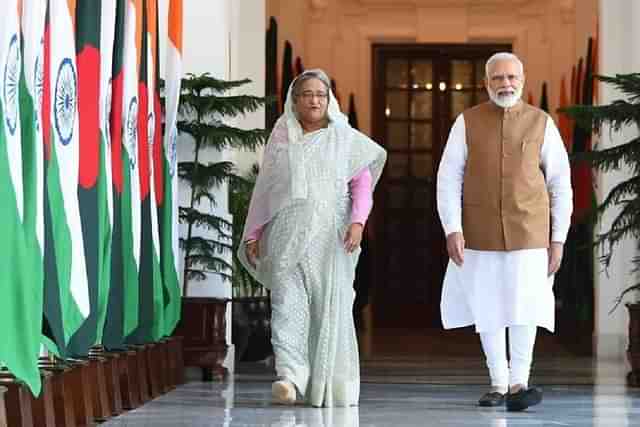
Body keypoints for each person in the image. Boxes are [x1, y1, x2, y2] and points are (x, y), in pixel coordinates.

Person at [238, 69, 386, 407]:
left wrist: (358, 223)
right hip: (286, 234)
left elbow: (361, 186)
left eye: (320, 93)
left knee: (327, 308)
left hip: (332, 237)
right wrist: (255, 234)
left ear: (329, 98)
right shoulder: (282, 137)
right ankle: (288, 376)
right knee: (286, 303)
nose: (314, 99)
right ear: (295, 100)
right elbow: (266, 191)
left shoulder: (345, 138)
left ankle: (326, 382)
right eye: (307, 94)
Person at [436, 52, 572, 411]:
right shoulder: (466, 122)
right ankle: (497, 382)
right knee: (489, 308)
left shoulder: (541, 122)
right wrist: (452, 228)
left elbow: (561, 184)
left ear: (522, 81)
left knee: (524, 308)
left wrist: (558, 238)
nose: (505, 84)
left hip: (531, 232)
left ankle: (519, 382)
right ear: (486, 83)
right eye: (497, 78)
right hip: (479, 231)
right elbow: (447, 177)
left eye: (512, 77)